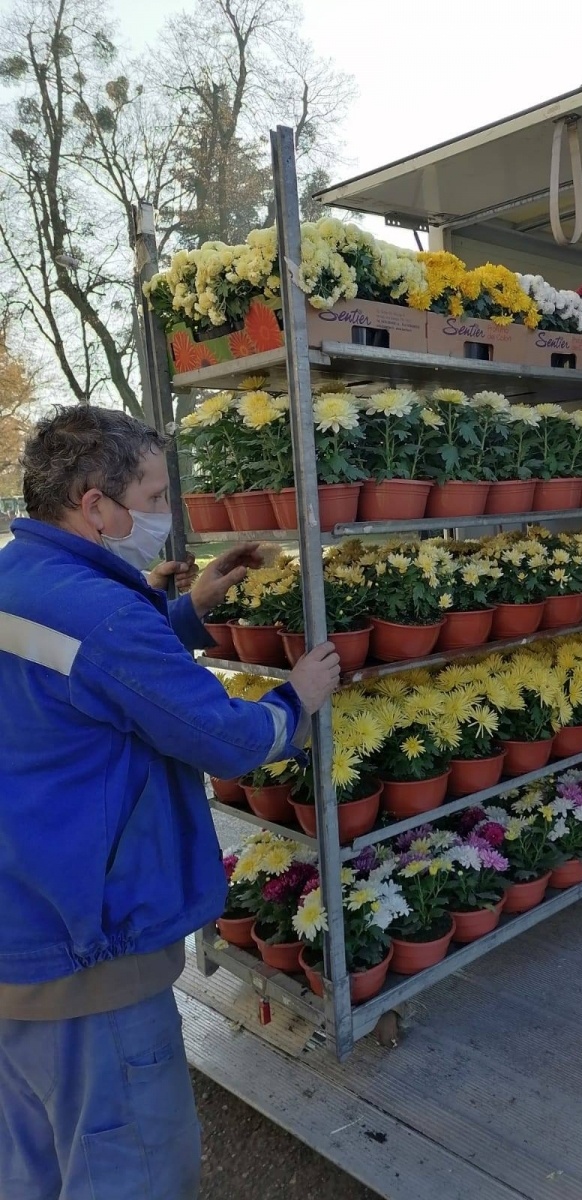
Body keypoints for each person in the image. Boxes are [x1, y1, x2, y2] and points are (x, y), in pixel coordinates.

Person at [0, 405, 341, 1198]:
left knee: (38, 1163)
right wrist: (295, 700)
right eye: (153, 497)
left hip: (23, 932)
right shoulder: (107, 616)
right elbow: (222, 737)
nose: (164, 515)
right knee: (134, 1169)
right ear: (95, 505)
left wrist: (189, 612)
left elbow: (92, 681)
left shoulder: (19, 579)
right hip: (93, 953)